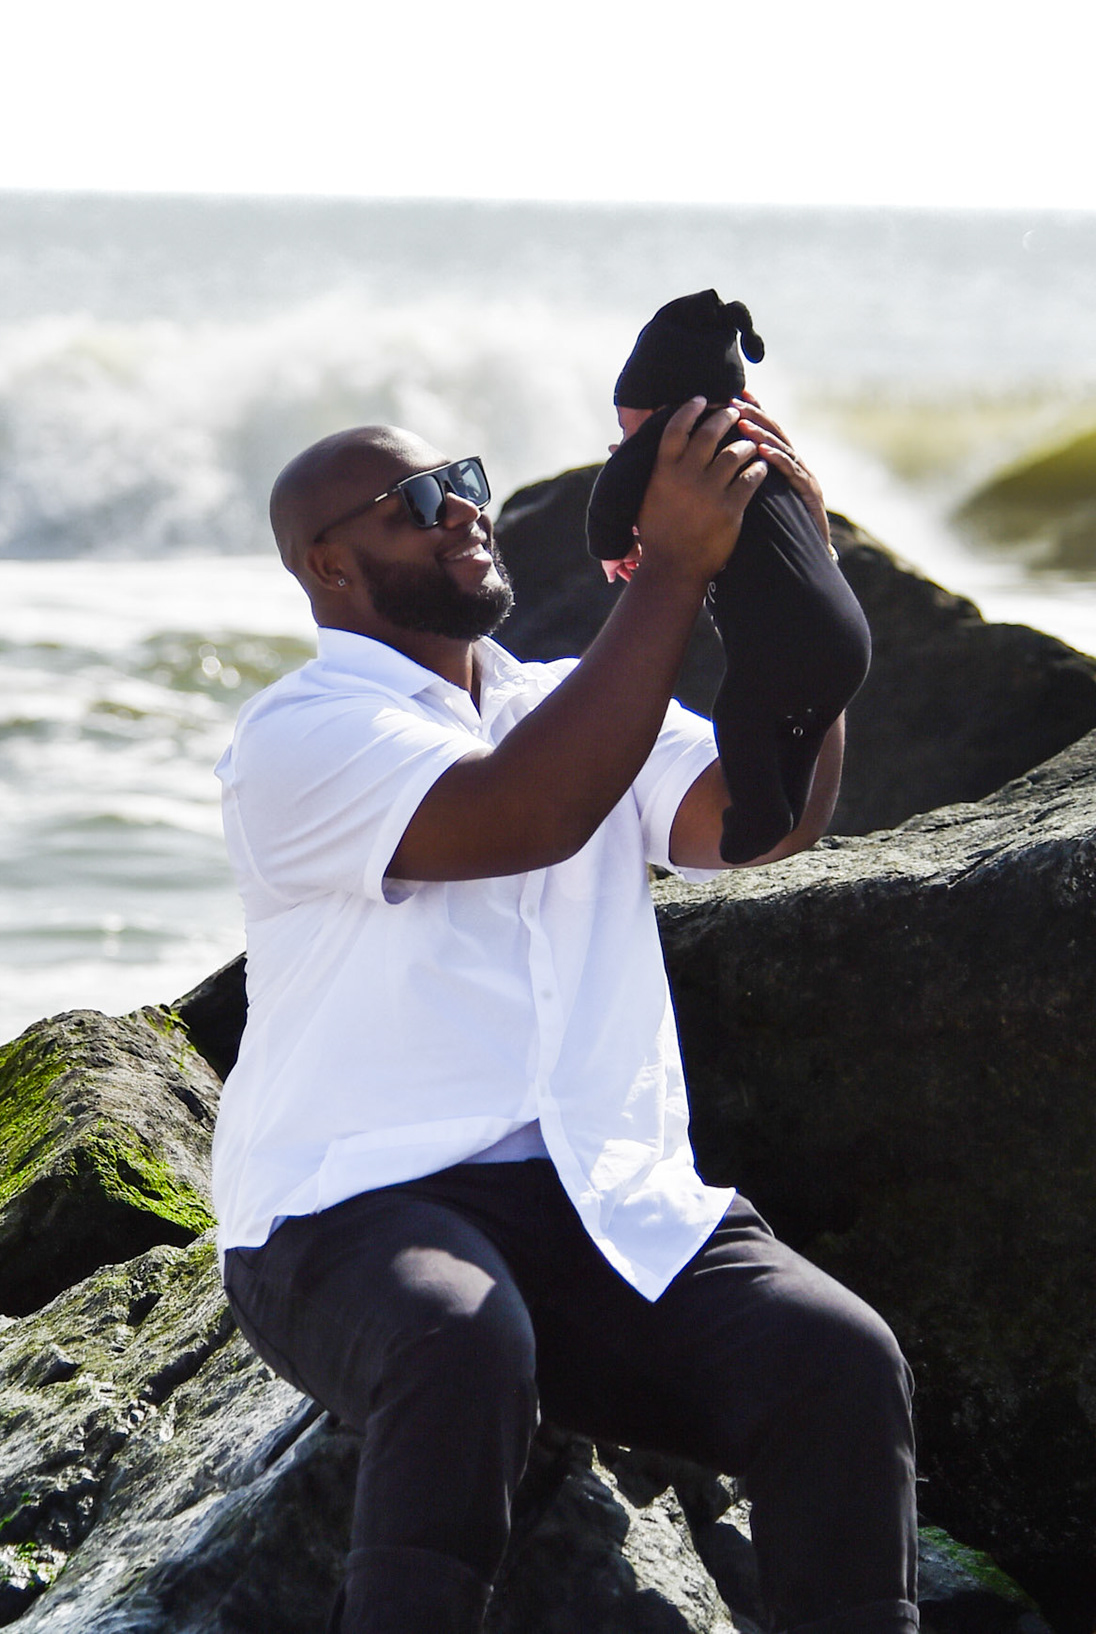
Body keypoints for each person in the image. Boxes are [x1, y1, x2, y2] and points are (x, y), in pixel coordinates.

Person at [213, 404, 916, 1634]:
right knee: (457, 1337)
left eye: (464, 480)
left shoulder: (565, 703)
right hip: (347, 1209)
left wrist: (792, 574)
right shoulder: (300, 736)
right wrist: (672, 572)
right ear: (328, 565)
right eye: (417, 502)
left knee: (839, 1362)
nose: (464, 510)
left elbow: (764, 819)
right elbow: (529, 812)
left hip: (601, 1196)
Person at [586, 290, 871, 862]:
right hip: (849, 638)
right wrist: (819, 544)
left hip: (785, 650)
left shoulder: (672, 435)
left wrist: (612, 546)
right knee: (797, 725)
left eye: (625, 421)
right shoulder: (756, 444)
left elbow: (610, 495)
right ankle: (779, 810)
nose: (625, 436)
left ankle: (760, 818)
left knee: (742, 716)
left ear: (658, 406)